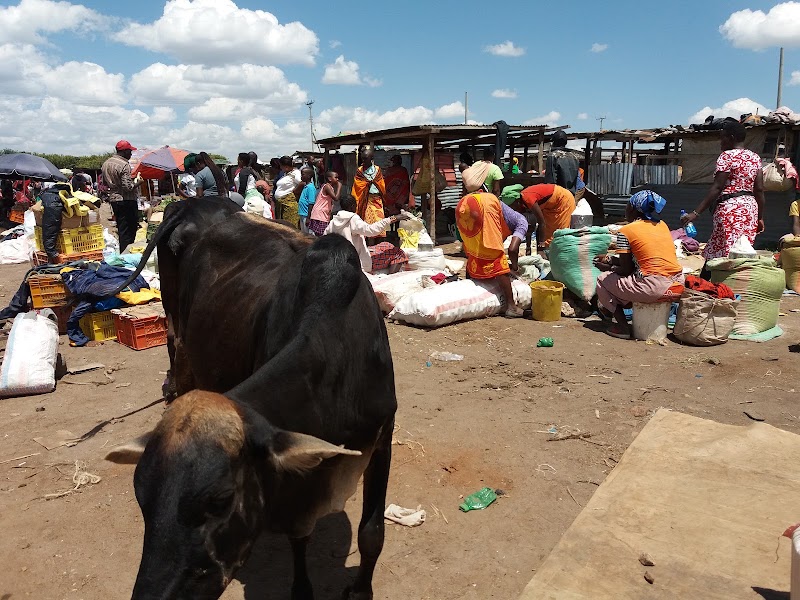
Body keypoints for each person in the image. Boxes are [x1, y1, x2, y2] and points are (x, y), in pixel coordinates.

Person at [595, 190, 685, 339]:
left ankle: (623, 327)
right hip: (677, 284)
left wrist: (608, 267)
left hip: (654, 287)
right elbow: (641, 260)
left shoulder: (626, 231)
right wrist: (610, 259)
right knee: (630, 278)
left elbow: (626, 269)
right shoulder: (662, 225)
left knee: (603, 280)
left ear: (633, 209)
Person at [681, 120, 764, 270]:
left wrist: (695, 213)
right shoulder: (755, 158)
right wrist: (760, 217)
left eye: (723, 137)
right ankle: (733, 283)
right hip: (750, 210)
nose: (721, 141)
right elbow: (759, 190)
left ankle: (720, 286)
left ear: (731, 137)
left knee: (724, 251)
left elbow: (717, 187)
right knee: (742, 250)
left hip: (730, 210)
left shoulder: (727, 156)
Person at [456, 191, 527, 317]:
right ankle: (511, 307)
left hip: (465, 203)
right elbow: (512, 249)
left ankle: (469, 286)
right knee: (497, 257)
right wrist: (514, 268)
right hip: (484, 207)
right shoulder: (522, 223)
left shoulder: (505, 214)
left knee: (476, 250)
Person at [324, 194, 409, 272]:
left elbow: (324, 238)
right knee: (398, 252)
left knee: (386, 245)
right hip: (357, 264)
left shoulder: (334, 221)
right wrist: (393, 219)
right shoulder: (352, 218)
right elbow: (371, 230)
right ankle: (390, 278)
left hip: (341, 260)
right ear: (353, 206)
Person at [507, 183, 575, 252]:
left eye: (513, 206)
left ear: (517, 201)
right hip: (550, 206)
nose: (513, 210)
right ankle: (549, 254)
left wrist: (541, 244)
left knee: (559, 234)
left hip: (562, 200)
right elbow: (529, 226)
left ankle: (560, 254)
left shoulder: (528, 199)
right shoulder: (522, 204)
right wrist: (528, 247)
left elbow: (542, 223)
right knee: (548, 234)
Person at [101, 140, 142, 252]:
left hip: (114, 199)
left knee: (122, 228)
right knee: (130, 229)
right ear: (124, 152)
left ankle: (123, 251)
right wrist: (138, 183)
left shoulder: (106, 163)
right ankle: (127, 252)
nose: (131, 154)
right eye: (130, 152)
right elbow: (128, 187)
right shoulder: (124, 165)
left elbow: (104, 183)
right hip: (126, 200)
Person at [352, 147, 386, 234]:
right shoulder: (359, 171)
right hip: (366, 200)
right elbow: (358, 185)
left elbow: (381, 183)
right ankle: (368, 244)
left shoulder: (377, 169)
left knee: (379, 220)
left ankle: (378, 243)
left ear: (371, 159)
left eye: (365, 158)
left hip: (377, 199)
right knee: (367, 221)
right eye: (362, 158)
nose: (363, 160)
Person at [274, 156, 304, 228]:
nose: (280, 168)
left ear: (286, 166)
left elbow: (302, 183)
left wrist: (294, 192)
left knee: (290, 226)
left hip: (289, 204)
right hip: (281, 204)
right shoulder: (286, 174)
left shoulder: (296, 173)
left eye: (281, 166)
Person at [308, 171, 341, 236]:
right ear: (329, 179)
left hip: (322, 215)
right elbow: (336, 198)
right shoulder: (327, 187)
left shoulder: (329, 187)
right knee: (322, 235)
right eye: (336, 177)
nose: (337, 179)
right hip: (320, 215)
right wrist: (339, 187)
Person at [297, 167, 316, 234]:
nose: (301, 176)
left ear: (309, 176)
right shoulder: (306, 186)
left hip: (306, 215)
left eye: (303, 174)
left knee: (308, 234)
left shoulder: (310, 188)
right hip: (302, 214)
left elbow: (311, 203)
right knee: (303, 233)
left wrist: (308, 217)